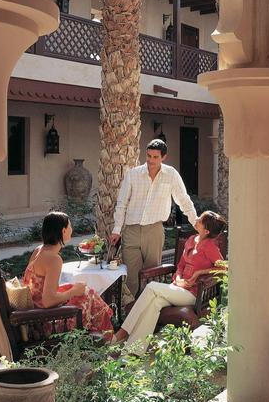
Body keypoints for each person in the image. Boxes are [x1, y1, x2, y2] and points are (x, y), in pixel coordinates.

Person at [111, 211, 226, 354]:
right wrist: (178, 278)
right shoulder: (192, 239)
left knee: (151, 287)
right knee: (155, 303)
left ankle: (123, 332)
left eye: (200, 221)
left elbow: (224, 267)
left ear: (207, 231)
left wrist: (199, 273)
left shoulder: (210, 247)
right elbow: (181, 265)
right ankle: (133, 352)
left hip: (193, 294)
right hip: (177, 288)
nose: (196, 220)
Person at [110, 139, 198, 299]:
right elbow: (122, 203)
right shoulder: (133, 174)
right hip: (131, 231)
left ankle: (150, 308)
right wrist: (117, 229)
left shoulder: (171, 175)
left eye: (155, 157)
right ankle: (135, 309)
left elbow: (183, 200)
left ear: (164, 157)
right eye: (148, 156)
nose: (151, 160)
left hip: (154, 231)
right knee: (131, 278)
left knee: (152, 275)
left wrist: (195, 221)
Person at [22, 212, 114, 338]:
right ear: (63, 230)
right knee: (88, 295)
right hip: (46, 322)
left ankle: (106, 335)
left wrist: (73, 289)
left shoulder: (39, 250)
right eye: (70, 225)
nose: (72, 228)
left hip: (36, 317)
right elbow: (48, 301)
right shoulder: (53, 259)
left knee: (84, 291)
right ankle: (108, 337)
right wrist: (73, 291)